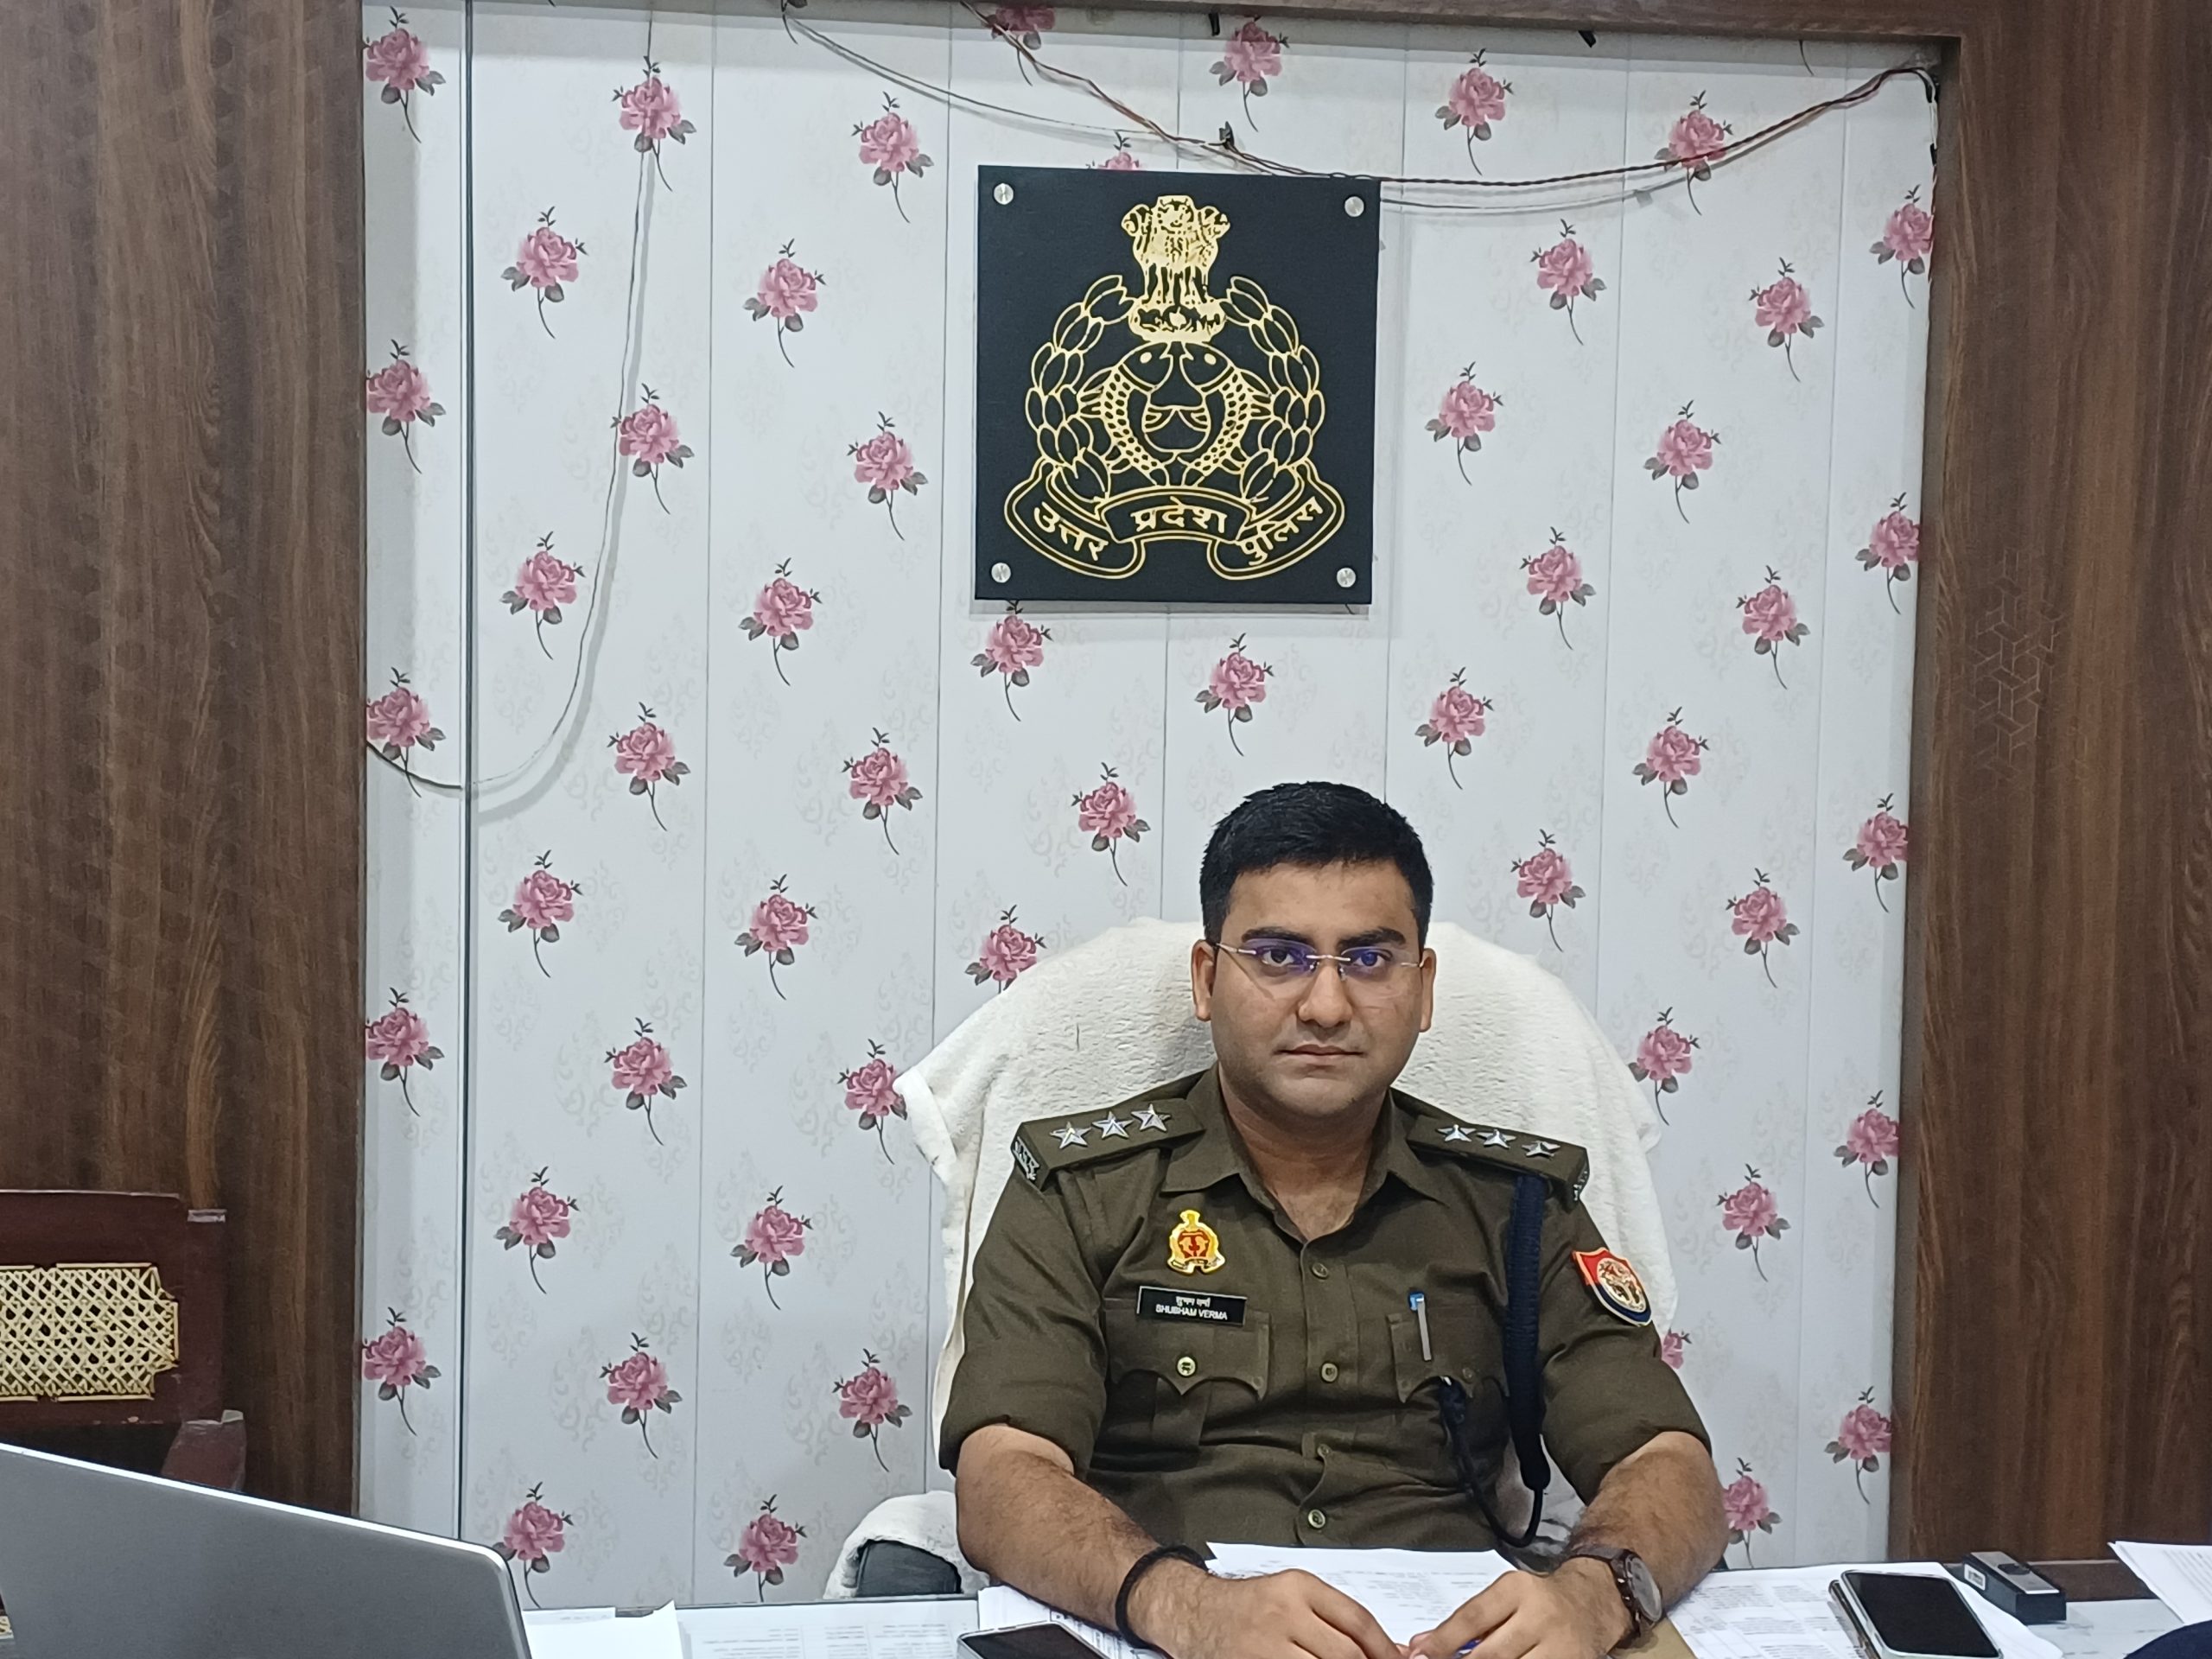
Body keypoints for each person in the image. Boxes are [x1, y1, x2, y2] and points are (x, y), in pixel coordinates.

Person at [942, 782, 1726, 1659]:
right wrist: (1188, 1610)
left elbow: (1666, 1463)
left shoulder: (1516, 1204)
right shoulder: (1081, 1190)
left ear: (1422, 989)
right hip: (1167, 1637)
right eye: (1277, 957)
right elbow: (1003, 1475)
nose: (1324, 1006)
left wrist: (1596, 1595)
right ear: (1207, 979)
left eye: (1369, 959)